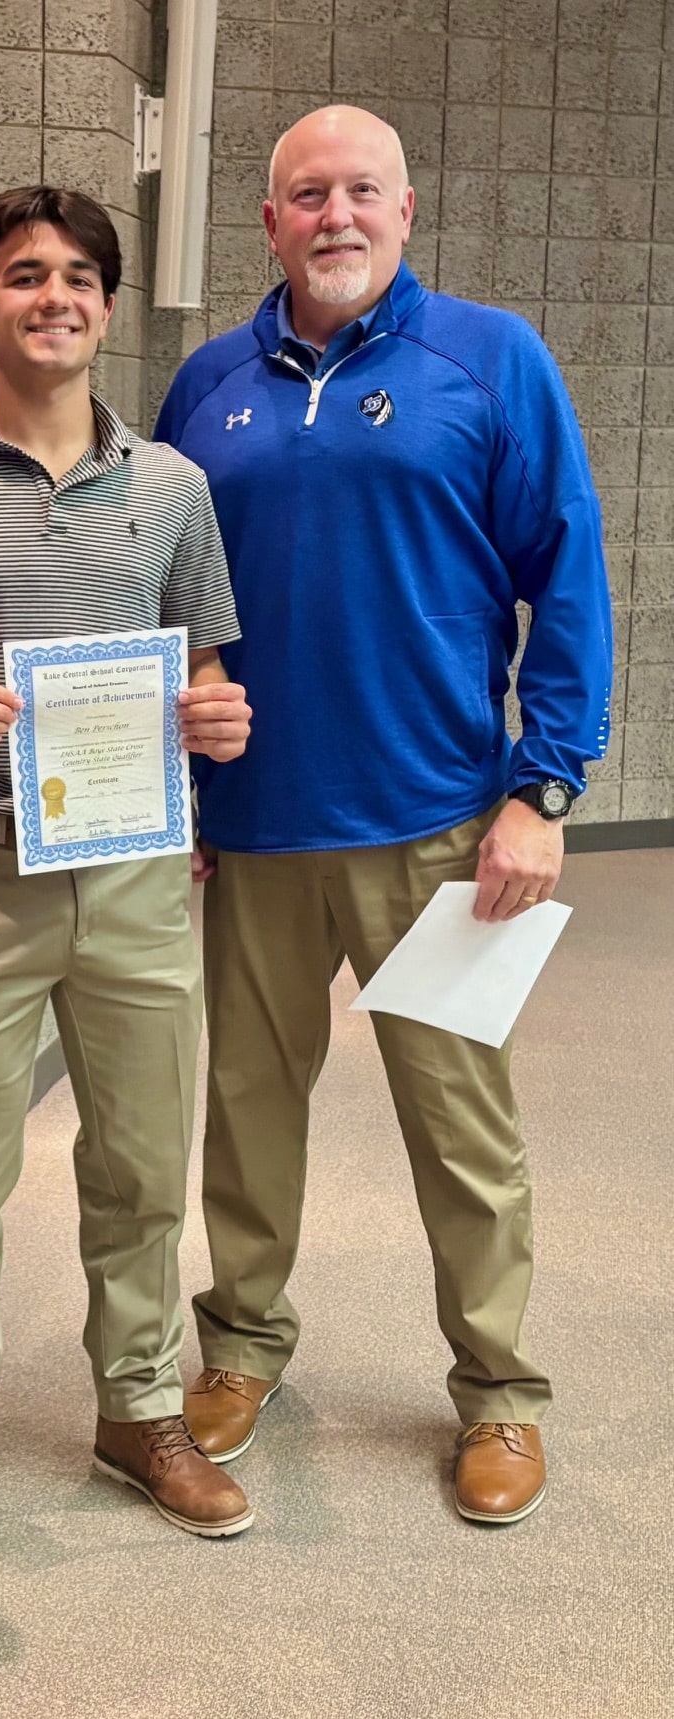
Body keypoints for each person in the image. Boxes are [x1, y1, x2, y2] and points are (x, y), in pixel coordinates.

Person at [155, 104, 614, 1526]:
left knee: (457, 1124)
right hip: (254, 827)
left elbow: (568, 574)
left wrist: (539, 789)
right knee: (242, 1112)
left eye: (359, 190)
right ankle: (237, 1342)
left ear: (404, 209)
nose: (332, 215)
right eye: (306, 194)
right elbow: (171, 599)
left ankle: (493, 1388)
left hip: (436, 828)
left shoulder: (486, 360)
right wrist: (169, 784)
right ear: (267, 218)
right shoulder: (204, 384)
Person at [0, 186, 256, 1563]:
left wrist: (217, 717)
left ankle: (141, 1409)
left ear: (102, 302)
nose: (56, 297)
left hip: (138, 876)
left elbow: (199, 671)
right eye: (24, 274)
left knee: (143, 1166)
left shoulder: (169, 488)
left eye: (81, 275)